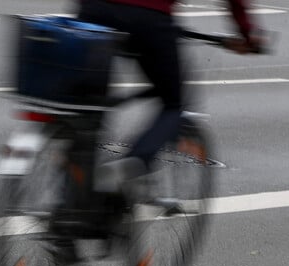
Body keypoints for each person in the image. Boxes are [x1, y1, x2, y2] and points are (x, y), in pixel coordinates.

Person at [77, 0, 264, 191]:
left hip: (93, 11)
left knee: (86, 107)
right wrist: (247, 34)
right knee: (173, 104)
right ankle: (131, 166)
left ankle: (71, 197)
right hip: (150, 15)